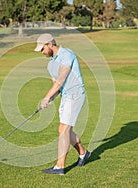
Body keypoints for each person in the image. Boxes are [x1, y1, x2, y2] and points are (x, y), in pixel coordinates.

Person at [34, 33, 90, 175]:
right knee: (66, 131)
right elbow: (57, 86)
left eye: (42, 49)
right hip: (65, 96)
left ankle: (60, 167)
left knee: (63, 130)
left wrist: (46, 97)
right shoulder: (50, 64)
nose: (42, 52)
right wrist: (50, 99)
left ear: (50, 44)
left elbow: (61, 79)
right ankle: (83, 153)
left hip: (75, 94)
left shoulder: (67, 55)